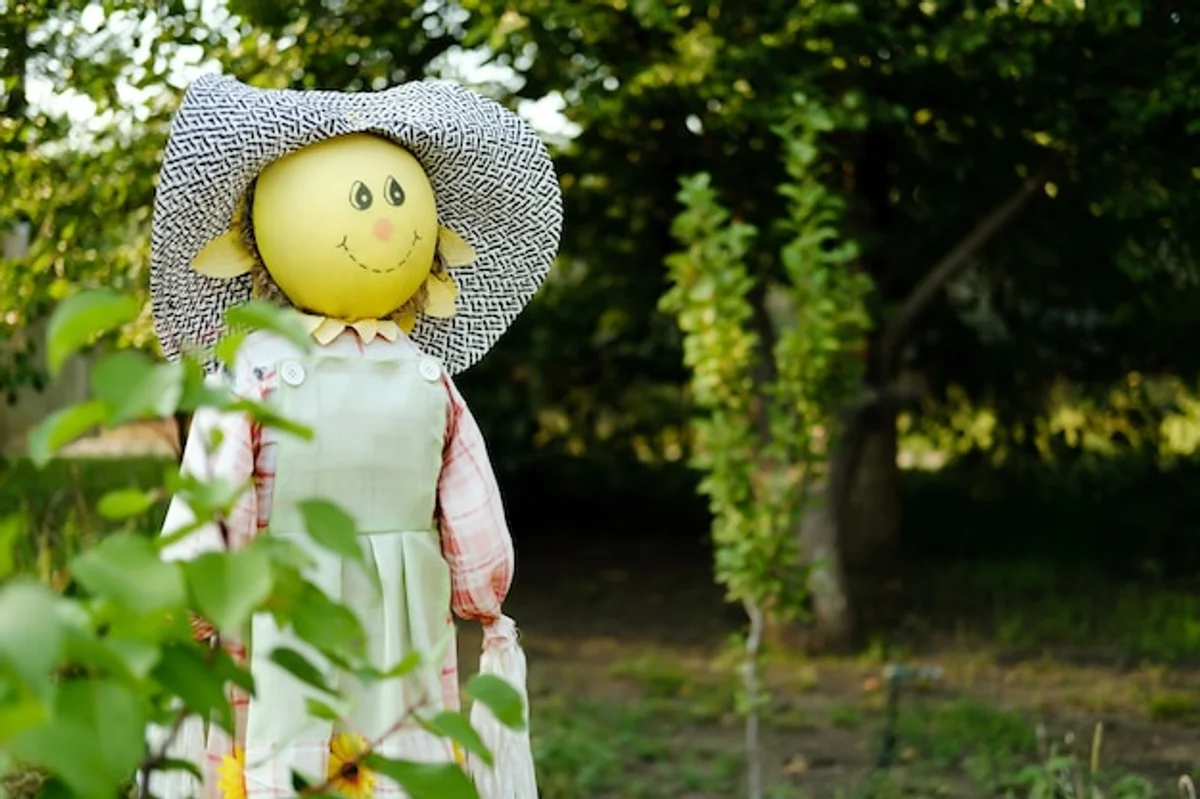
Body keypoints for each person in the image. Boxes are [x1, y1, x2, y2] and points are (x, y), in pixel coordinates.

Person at [145, 73, 562, 799]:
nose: (379, 222)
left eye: (397, 200)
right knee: (388, 747)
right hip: (353, 606)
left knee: (315, 753)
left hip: (333, 604)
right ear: (264, 236)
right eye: (361, 199)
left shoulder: (366, 374)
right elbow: (474, 517)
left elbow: (213, 511)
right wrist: (483, 596)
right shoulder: (387, 376)